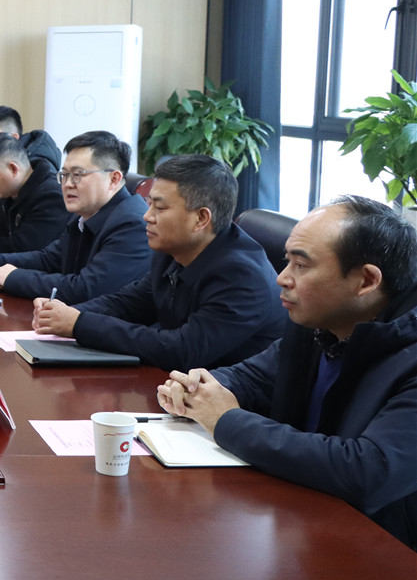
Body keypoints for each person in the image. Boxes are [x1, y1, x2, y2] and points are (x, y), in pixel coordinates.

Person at [157, 196, 417, 549]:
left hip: (379, 548)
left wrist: (226, 420)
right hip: (299, 522)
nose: (282, 278)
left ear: (366, 280)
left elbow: (370, 471)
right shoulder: (319, 324)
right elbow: (251, 378)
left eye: (301, 265)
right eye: (287, 261)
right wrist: (197, 387)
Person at [33, 154, 288, 371]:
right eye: (149, 204)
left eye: (160, 208)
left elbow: (182, 350)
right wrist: (66, 312)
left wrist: (79, 324)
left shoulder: (242, 276)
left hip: (229, 401)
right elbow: (130, 303)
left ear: (201, 218)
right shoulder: (172, 248)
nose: (147, 216)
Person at [0, 131, 150, 304]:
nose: (67, 184)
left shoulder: (132, 225)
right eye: (64, 175)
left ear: (113, 179)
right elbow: (49, 258)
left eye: (77, 175)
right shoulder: (84, 215)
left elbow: (86, 289)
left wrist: (13, 277)